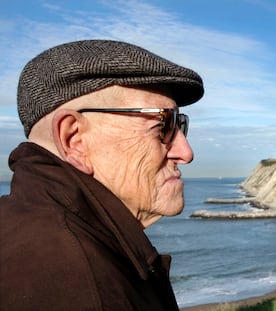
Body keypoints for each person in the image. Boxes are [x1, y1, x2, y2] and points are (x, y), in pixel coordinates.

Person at [0, 39, 204, 310]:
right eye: (163, 126)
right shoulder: (81, 287)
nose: (186, 152)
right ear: (74, 139)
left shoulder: (20, 226)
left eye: (180, 124)